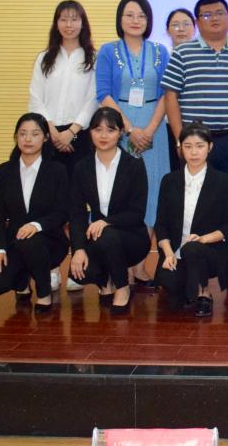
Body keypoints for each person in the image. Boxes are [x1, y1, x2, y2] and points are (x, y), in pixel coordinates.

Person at [161, 0, 228, 272]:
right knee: (192, 201)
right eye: (207, 15)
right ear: (197, 22)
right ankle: (189, 260)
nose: (214, 18)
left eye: (219, 13)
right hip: (196, 143)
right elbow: (171, 96)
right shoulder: (183, 53)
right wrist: (180, 139)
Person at [95, 0, 170, 288]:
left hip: (154, 128)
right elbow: (103, 93)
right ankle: (119, 263)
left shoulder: (160, 51)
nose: (135, 20)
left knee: (152, 192)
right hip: (118, 127)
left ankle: (138, 265)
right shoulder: (107, 51)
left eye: (141, 15)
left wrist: (149, 129)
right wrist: (129, 129)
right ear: (120, 19)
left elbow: (167, 93)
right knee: (121, 193)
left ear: (148, 20)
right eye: (129, 15)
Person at [0, 113, 70, 314]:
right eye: (22, 134)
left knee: (30, 242)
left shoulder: (57, 170)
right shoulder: (5, 171)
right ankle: (21, 281)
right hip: (15, 241)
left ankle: (44, 294)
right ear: (16, 137)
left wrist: (36, 226)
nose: (28, 139)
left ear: (45, 138)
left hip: (50, 240)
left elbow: (63, 212)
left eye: (35, 134)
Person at [153, 122, 228, 318]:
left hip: (211, 251)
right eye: (188, 146)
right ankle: (187, 285)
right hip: (176, 250)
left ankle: (204, 292)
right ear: (180, 148)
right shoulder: (169, 181)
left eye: (200, 146)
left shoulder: (223, 181)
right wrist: (168, 253)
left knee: (192, 249)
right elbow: (161, 223)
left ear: (210, 147)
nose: (194, 152)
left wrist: (203, 239)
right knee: (171, 288)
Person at [68, 107, 149, 316]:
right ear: (90, 132)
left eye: (110, 130)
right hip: (97, 235)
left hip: (131, 236)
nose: (103, 136)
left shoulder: (134, 165)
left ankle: (122, 287)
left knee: (108, 234)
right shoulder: (82, 167)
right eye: (98, 130)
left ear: (121, 132)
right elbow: (76, 213)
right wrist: (78, 249)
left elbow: (137, 213)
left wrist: (106, 222)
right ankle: (105, 280)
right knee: (79, 273)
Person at [28, 0, 98, 178]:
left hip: (79, 135)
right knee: (47, 188)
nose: (69, 25)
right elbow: (35, 97)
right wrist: (51, 130)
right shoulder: (44, 58)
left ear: (83, 23)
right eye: (63, 19)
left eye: (74, 19)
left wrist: (71, 132)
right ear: (56, 23)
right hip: (47, 133)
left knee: (77, 189)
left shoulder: (93, 59)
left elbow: (93, 99)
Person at [164, 8, 196, 173]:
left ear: (195, 28)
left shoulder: (201, 58)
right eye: (175, 25)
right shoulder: (162, 58)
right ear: (167, 30)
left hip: (196, 127)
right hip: (166, 127)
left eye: (186, 24)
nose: (181, 29)